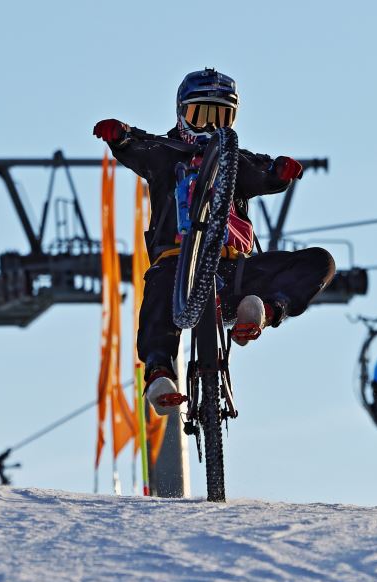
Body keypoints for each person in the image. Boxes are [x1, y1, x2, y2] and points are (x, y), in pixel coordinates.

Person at [93, 68, 335, 415]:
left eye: (219, 117)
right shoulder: (164, 153)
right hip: (178, 262)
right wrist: (119, 136)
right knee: (158, 291)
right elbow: (136, 147)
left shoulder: (235, 160)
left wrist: (280, 172)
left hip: (235, 266)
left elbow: (263, 172)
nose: (208, 126)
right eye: (201, 115)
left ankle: (263, 309)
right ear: (182, 113)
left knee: (319, 261)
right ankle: (159, 371)